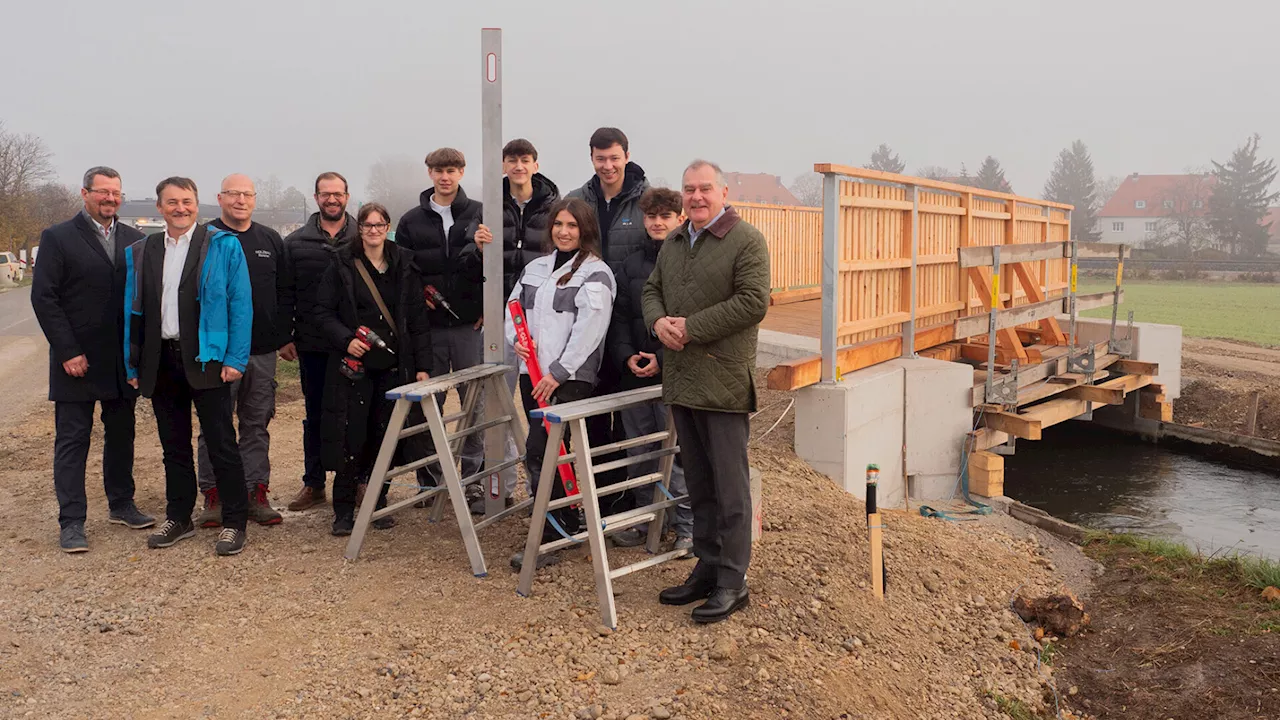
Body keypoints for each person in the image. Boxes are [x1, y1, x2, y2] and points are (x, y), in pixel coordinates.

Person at [642, 160, 770, 624]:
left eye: (705, 189)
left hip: (722, 380)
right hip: (682, 380)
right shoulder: (675, 242)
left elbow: (752, 302)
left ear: (723, 191)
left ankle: (733, 580)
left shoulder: (746, 240)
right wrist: (657, 322)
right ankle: (707, 565)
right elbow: (651, 290)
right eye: (689, 189)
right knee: (698, 483)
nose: (696, 196)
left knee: (730, 488)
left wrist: (691, 328)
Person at [123, 177, 253, 556]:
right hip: (160, 359)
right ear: (159, 208)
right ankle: (178, 516)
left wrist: (235, 358)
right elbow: (132, 310)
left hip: (208, 359)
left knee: (221, 444)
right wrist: (132, 361)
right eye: (172, 202)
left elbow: (240, 305)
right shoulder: (143, 250)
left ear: (198, 205)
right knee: (173, 445)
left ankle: (234, 521)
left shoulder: (223, 246)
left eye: (187, 201)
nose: (180, 208)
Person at [31, 166, 154, 553]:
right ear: (84, 193)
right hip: (77, 360)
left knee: (122, 435)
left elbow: (143, 303)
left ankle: (121, 503)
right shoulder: (58, 237)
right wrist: (67, 351)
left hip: (120, 360)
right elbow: (44, 298)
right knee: (73, 441)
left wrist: (139, 357)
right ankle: (72, 521)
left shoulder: (137, 240)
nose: (110, 199)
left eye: (116, 193)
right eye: (103, 192)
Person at [505, 198, 615, 571]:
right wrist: (515, 340)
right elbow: (514, 308)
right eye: (559, 225)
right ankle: (564, 518)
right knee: (546, 451)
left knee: (541, 451)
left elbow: (590, 332)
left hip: (567, 379)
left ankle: (550, 535)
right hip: (531, 373)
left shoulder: (596, 273)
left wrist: (558, 373)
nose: (564, 231)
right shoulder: (535, 268)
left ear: (585, 230)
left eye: (572, 225)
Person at [314, 203, 432, 536]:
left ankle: (377, 503)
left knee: (386, 437)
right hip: (354, 368)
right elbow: (322, 312)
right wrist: (346, 339)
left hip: (394, 365)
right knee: (351, 436)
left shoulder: (405, 264)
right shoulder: (341, 264)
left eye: (379, 225)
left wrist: (423, 366)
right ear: (359, 229)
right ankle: (343, 510)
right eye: (367, 225)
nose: (373, 231)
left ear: (388, 227)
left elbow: (418, 322)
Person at [195, 175, 294, 528]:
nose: (240, 200)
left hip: (262, 351)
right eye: (233, 194)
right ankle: (215, 495)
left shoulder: (269, 239)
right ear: (219, 198)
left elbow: (283, 291)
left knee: (256, 423)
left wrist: (285, 337)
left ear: (255, 200)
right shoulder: (204, 238)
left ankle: (256, 492)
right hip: (217, 353)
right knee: (215, 425)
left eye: (247, 194)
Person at [393, 148, 493, 499]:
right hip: (428, 329)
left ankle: (473, 478)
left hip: (469, 326)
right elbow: (402, 271)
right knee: (428, 405)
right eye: (438, 170)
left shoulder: (482, 211)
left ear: (462, 172)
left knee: (474, 404)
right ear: (429, 173)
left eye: (451, 169)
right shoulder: (409, 221)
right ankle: (431, 480)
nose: (445, 176)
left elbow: (493, 266)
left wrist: (486, 306)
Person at [473, 138, 561, 513]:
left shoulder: (555, 208)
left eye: (525, 160)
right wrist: (476, 246)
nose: (519, 166)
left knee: (538, 406)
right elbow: (468, 262)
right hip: (499, 321)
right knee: (495, 404)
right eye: (512, 160)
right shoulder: (489, 207)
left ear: (535, 165)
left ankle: (542, 492)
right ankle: (501, 486)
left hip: (541, 323)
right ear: (504, 165)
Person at [567, 128, 651, 507]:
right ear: (591, 159)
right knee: (593, 414)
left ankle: (637, 497)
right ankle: (603, 497)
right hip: (586, 324)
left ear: (627, 156)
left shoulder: (646, 201)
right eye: (601, 159)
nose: (608, 166)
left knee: (633, 415)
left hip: (631, 323)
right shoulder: (577, 200)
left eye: (614, 158)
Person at [606, 187, 693, 552]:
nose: (657, 223)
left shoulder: (689, 261)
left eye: (665, 217)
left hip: (673, 372)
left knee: (677, 453)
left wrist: (661, 355)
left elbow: (687, 318)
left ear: (680, 219)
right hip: (633, 373)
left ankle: (686, 526)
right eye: (651, 216)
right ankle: (645, 519)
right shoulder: (631, 264)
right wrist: (627, 355)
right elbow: (621, 316)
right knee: (639, 450)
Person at [283, 172, 358, 512]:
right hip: (312, 343)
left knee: (356, 415)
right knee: (314, 415)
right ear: (316, 197)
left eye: (337, 193)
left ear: (347, 196)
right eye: (326, 194)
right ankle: (313, 484)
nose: (332, 199)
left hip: (356, 345)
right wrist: (285, 336)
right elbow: (285, 293)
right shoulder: (296, 242)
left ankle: (356, 481)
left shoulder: (363, 236)